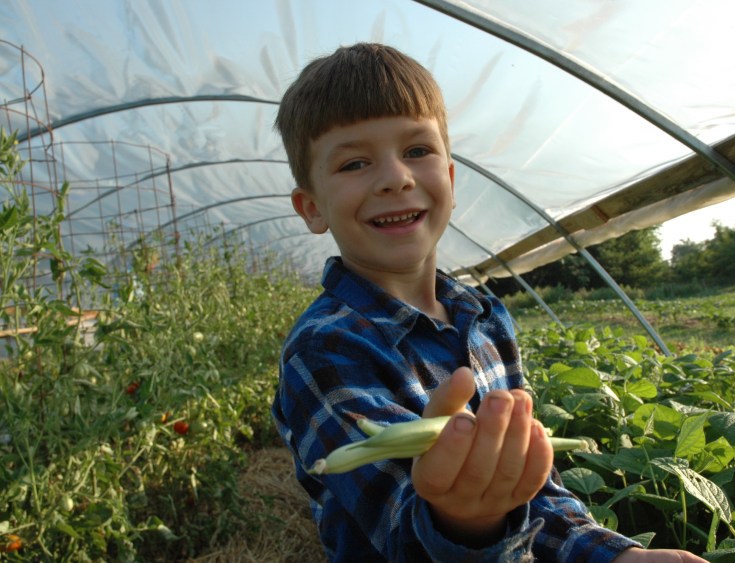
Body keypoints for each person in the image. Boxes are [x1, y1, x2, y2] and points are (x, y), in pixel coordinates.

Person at [271, 42, 708, 562]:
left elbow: (530, 482)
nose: (396, 178)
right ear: (312, 208)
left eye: (417, 151)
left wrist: (615, 556)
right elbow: (402, 531)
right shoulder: (324, 349)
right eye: (355, 163)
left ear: (451, 180)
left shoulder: (485, 318)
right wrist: (465, 519)